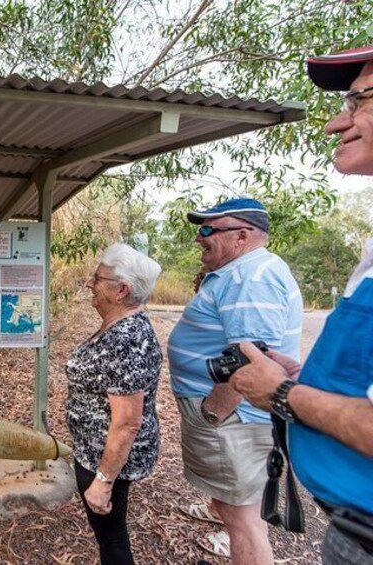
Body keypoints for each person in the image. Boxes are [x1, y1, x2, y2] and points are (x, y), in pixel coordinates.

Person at [229, 47, 373, 565]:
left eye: (359, 100)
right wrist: (306, 377)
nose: (338, 123)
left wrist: (284, 393)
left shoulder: (256, 276)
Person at [167, 197, 303, 564]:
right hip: (234, 422)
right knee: (235, 499)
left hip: (232, 423)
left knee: (241, 517)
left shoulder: (250, 277)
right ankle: (220, 508)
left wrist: (213, 413)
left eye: (209, 229)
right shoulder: (241, 272)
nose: (200, 237)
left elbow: (251, 360)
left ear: (242, 236)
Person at [65, 243, 163, 565]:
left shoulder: (128, 338)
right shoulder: (119, 326)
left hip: (106, 462)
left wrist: (103, 482)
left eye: (98, 278)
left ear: (121, 290)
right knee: (109, 536)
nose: (90, 284)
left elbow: (127, 422)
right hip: (95, 452)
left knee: (113, 542)